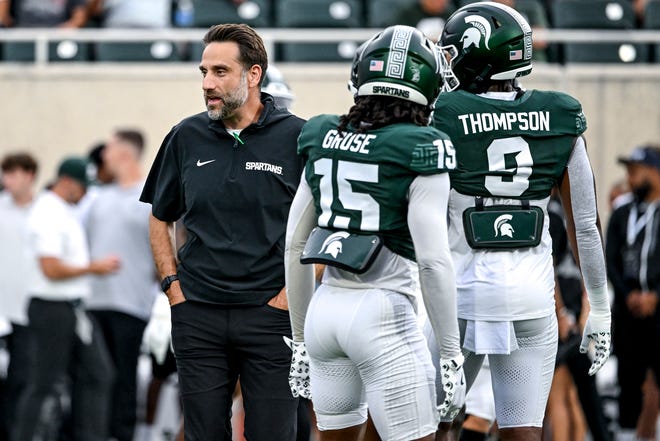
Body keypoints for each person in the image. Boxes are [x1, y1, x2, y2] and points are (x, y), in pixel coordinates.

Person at [430, 2, 612, 440]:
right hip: (530, 298)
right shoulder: (561, 114)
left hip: (459, 296)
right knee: (523, 430)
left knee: (431, 426)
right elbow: (584, 225)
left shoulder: (445, 114)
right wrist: (601, 308)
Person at [284, 25, 465, 441]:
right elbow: (434, 261)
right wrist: (451, 352)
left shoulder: (323, 133)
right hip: (385, 311)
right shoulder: (422, 144)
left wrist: (298, 338)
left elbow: (295, 241)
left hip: (325, 310)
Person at [139, 23, 306, 441]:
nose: (207, 84)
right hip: (197, 313)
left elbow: (325, 224)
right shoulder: (185, 135)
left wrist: (291, 297)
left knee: (273, 435)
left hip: (271, 316)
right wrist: (172, 286)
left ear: (253, 75)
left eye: (220, 72)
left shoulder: (298, 138)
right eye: (203, 72)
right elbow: (161, 217)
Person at [12, 156, 119, 441]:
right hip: (52, 308)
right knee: (43, 383)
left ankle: (90, 435)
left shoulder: (62, 211)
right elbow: (50, 268)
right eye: (83, 187)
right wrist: (93, 267)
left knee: (99, 375)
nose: (85, 194)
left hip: (72, 309)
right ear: (68, 183)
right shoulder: (47, 212)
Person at [85, 129, 159, 441]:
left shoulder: (150, 197)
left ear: (126, 154)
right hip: (92, 304)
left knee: (123, 377)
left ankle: (122, 434)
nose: (104, 154)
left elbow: (163, 251)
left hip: (131, 304)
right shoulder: (98, 199)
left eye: (110, 148)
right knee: (93, 379)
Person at [547, 191, 613, 441]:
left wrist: (562, 313)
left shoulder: (553, 211)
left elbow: (549, 269)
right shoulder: (582, 214)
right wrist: (588, 309)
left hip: (564, 313)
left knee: (561, 396)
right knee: (577, 395)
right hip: (575, 311)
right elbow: (593, 267)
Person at [605, 144, 660, 441]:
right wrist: (628, 295)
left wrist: (655, 296)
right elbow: (610, 259)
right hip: (628, 309)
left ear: (654, 172)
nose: (630, 178)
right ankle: (627, 435)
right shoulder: (622, 213)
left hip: (658, 309)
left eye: (636, 171)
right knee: (628, 378)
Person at [0, 153, 38, 441]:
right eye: (5, 174)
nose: (7, 180)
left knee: (20, 380)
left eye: (12, 174)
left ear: (30, 175)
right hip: (1, 310)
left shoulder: (43, 212)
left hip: (27, 313)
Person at [0, 0, 89, 28]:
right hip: (24, 34)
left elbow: (79, 17)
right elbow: (3, 16)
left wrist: (59, 32)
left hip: (57, 34)